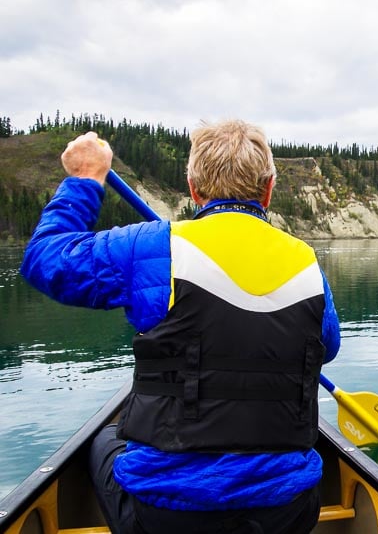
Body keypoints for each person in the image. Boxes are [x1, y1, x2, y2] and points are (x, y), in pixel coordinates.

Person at [20, 121, 341, 533]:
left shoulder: (152, 247)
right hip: (287, 511)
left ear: (193, 188)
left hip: (167, 517)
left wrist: (85, 180)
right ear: (269, 189)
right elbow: (325, 348)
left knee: (103, 440)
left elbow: (45, 260)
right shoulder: (306, 261)